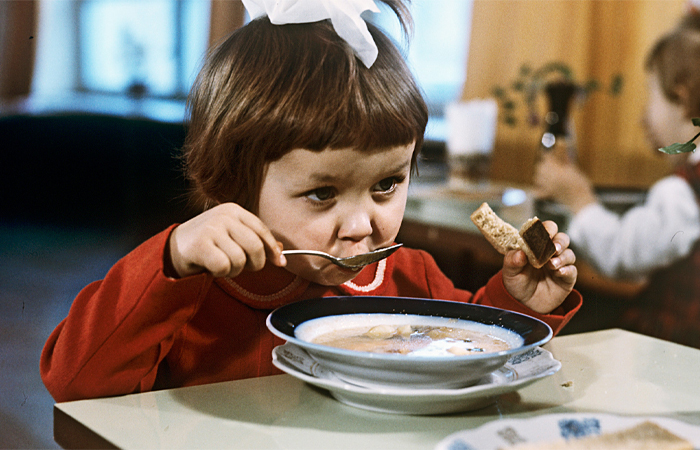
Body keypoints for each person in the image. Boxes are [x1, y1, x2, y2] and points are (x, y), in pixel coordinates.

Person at [41, 0, 581, 403]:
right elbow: (75, 382)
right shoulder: (189, 292)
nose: (361, 226)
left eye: (387, 185)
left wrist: (521, 304)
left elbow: (470, 360)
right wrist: (172, 259)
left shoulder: (413, 278)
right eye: (322, 193)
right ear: (231, 183)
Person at [534, 13, 700, 348]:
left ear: (681, 100)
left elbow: (620, 255)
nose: (642, 116)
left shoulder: (683, 191)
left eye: (650, 95)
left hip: (672, 352)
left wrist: (579, 199)